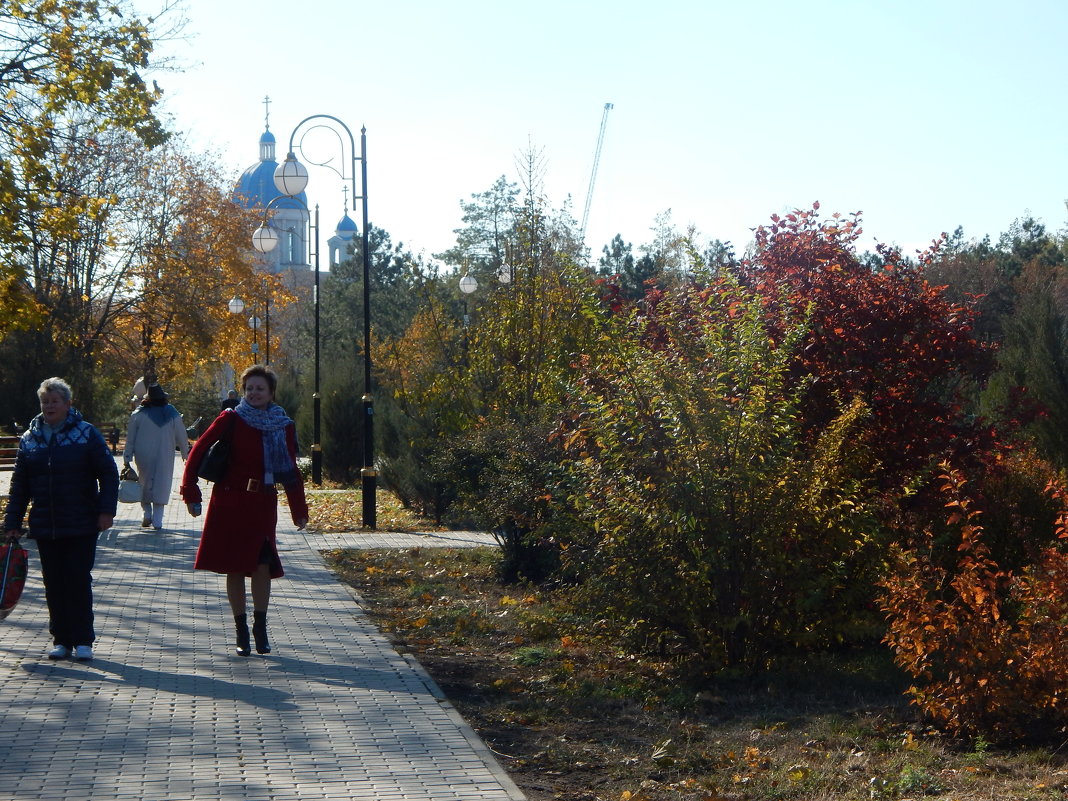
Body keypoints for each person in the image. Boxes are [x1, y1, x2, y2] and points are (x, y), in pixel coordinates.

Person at [181, 365, 308, 656]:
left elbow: (290, 468)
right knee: (235, 565)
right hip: (229, 502)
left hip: (262, 503)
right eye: (249, 388)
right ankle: (240, 631)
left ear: (271, 392)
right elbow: (199, 449)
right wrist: (190, 490)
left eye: (259, 388)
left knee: (262, 563)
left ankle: (260, 628)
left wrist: (299, 508)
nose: (253, 393)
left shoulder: (283, 425)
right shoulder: (232, 418)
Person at [2, 377, 118, 661]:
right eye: (45, 401)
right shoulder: (30, 438)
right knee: (53, 583)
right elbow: (20, 484)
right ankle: (61, 640)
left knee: (77, 580)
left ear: (68, 404)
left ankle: (83, 640)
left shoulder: (86, 434)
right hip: (46, 523)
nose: (49, 406)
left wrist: (105, 511)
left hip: (81, 522)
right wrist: (13, 522)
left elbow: (108, 473)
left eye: (55, 401)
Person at [123, 384, 190, 530]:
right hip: (164, 453)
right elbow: (181, 435)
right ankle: (158, 519)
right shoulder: (172, 413)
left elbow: (131, 438)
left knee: (144, 482)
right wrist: (186, 453)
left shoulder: (138, 414)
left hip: (143, 454)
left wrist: (127, 457)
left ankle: (146, 513)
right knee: (162, 483)